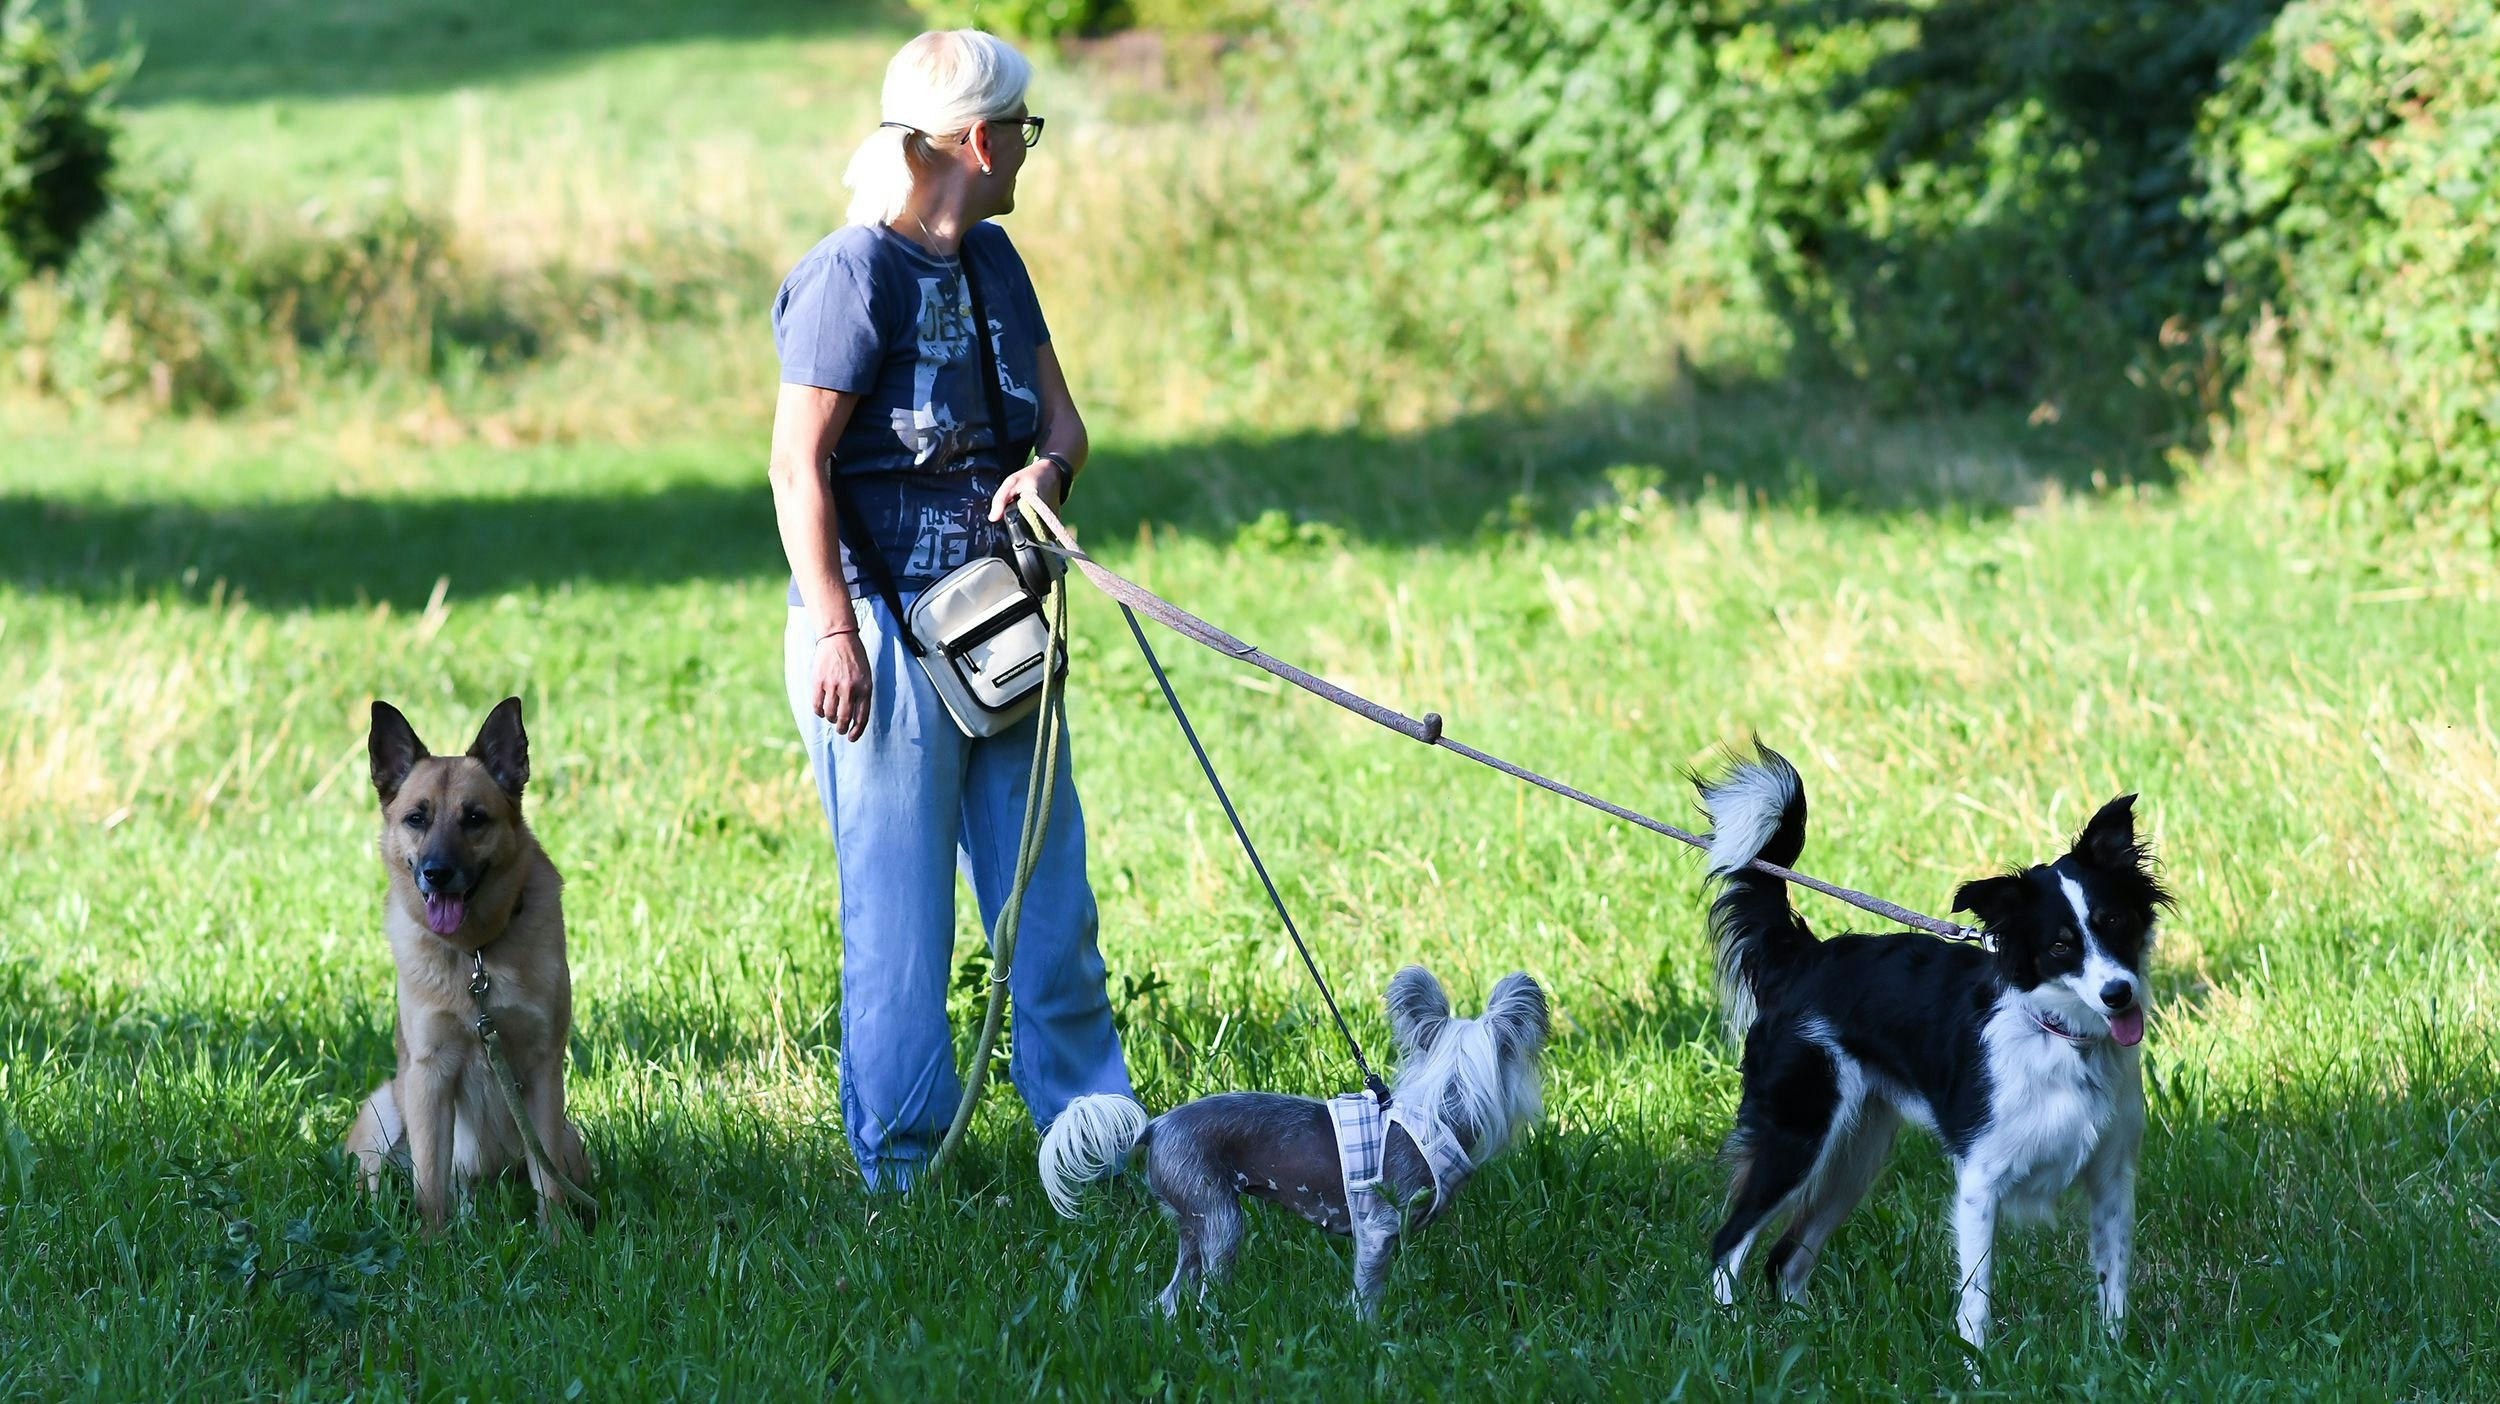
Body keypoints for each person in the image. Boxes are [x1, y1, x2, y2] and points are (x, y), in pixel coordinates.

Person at [765, 29, 1130, 1191]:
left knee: (1048, 905)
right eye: (1021, 129)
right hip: (872, 638)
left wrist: (1047, 477)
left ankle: (1093, 1143)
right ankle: (902, 1173)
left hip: (998, 629)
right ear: (976, 140)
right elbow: (795, 469)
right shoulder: (848, 275)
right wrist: (833, 629)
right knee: (901, 928)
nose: (1028, 148)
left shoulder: (995, 263)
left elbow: (1062, 424)